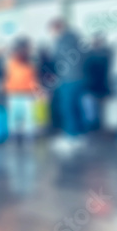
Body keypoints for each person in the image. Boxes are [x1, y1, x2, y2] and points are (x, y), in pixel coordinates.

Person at [50, 18, 87, 153]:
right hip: (80, 78)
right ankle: (79, 135)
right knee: (77, 107)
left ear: (57, 28)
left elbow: (56, 58)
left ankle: (70, 138)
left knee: (67, 108)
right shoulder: (77, 38)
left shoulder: (62, 40)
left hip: (68, 79)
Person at [82, 33, 112, 132]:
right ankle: (93, 127)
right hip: (91, 86)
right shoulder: (88, 54)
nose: (96, 42)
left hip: (103, 85)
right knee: (91, 110)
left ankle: (100, 127)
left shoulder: (107, 53)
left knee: (102, 110)